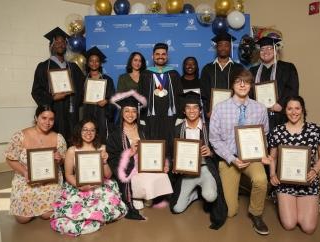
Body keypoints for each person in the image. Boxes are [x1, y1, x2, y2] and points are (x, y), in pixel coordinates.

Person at [209, 68, 271, 235]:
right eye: (238, 81)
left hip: (252, 158)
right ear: (232, 85)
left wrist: (262, 154)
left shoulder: (260, 108)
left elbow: (264, 134)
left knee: (261, 179)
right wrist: (232, 158)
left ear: (251, 85)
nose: (242, 85)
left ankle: (256, 213)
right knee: (229, 212)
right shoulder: (220, 108)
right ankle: (233, 191)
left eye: (246, 81)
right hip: (230, 158)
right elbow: (214, 139)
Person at [50, 119, 127, 236]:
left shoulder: (103, 148)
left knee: (106, 205)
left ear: (96, 133)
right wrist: (79, 186)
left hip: (100, 184)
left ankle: (96, 217)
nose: (88, 133)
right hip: (78, 184)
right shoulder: (72, 150)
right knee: (74, 208)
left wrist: (105, 162)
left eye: (92, 130)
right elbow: (69, 174)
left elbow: (108, 175)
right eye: (85, 130)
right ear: (79, 131)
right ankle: (88, 218)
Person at [107, 90, 173, 220]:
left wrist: (162, 163)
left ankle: (144, 195)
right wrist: (129, 153)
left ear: (137, 113)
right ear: (122, 113)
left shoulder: (143, 130)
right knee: (141, 181)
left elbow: (154, 150)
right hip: (129, 169)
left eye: (133, 111)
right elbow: (113, 158)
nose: (130, 114)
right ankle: (136, 195)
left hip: (145, 165)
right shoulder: (115, 135)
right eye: (127, 111)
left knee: (163, 175)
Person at [268, 96, 320, 234]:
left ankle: (315, 199)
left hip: (308, 180)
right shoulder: (277, 131)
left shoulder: (316, 130)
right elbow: (273, 157)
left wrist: (315, 170)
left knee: (308, 227)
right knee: (289, 224)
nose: (293, 112)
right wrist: (272, 174)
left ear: (303, 110)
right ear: (285, 111)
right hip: (285, 183)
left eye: (297, 108)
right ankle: (280, 198)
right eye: (289, 108)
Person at [170, 91, 227, 230]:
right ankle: (195, 194)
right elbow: (172, 153)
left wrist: (211, 152)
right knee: (177, 208)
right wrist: (175, 164)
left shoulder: (210, 128)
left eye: (195, 107)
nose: (192, 110)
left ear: (200, 110)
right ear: (184, 111)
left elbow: (223, 148)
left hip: (205, 169)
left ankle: (203, 192)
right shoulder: (177, 129)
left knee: (211, 196)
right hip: (187, 173)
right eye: (188, 107)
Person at [4, 105, 67, 224]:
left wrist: (59, 159)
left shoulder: (58, 138)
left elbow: (63, 160)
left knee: (47, 215)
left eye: (51, 119)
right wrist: (25, 172)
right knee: (23, 219)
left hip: (50, 181)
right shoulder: (20, 136)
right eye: (44, 118)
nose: (47, 122)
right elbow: (10, 159)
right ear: (36, 118)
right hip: (26, 179)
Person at [31, 27, 84, 144]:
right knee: (54, 142)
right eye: (57, 42)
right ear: (51, 46)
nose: (60, 45)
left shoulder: (73, 67)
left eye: (63, 42)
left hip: (71, 112)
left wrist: (75, 101)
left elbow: (83, 87)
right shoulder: (43, 67)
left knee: (72, 140)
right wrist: (52, 98)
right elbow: (36, 91)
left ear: (66, 46)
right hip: (54, 111)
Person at [138, 42, 183, 149]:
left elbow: (180, 96)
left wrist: (180, 116)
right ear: (152, 56)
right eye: (157, 54)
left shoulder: (174, 74)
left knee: (170, 145)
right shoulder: (145, 74)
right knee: (152, 144)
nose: (160, 56)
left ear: (167, 56)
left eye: (163, 54)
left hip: (170, 118)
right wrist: (142, 117)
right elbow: (140, 95)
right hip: (151, 118)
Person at [250, 36, 299, 130]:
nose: (265, 52)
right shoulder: (253, 71)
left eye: (269, 48)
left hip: (281, 116)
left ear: (275, 51)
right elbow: (249, 93)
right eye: (262, 49)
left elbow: (293, 89)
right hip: (259, 117)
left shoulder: (287, 68)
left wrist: (281, 104)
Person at [200, 32, 244, 119]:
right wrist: (207, 111)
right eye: (220, 45)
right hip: (212, 114)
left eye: (226, 45)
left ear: (230, 47)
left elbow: (243, 90)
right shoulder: (207, 68)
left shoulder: (238, 68)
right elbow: (203, 93)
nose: (223, 48)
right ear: (216, 47)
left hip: (233, 113)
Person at [82, 46, 116, 143]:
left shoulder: (107, 80)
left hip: (102, 114)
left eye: (97, 61)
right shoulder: (83, 80)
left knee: (102, 138)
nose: (94, 63)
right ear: (88, 63)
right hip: (87, 112)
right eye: (91, 61)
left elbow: (113, 98)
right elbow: (79, 97)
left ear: (100, 63)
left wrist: (107, 101)